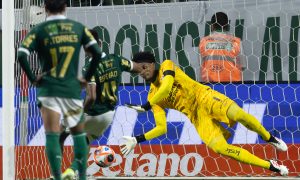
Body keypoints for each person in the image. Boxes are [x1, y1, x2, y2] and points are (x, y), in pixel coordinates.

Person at [120, 51, 289, 176]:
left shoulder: (166, 65)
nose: (142, 72)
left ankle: (270, 139)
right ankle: (270, 165)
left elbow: (166, 86)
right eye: (138, 71)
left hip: (205, 97)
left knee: (239, 115)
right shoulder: (152, 96)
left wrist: (148, 105)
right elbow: (161, 128)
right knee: (220, 148)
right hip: (196, 117)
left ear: (152, 64)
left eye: (143, 67)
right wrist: (137, 139)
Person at [17, 0, 102, 179]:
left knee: (52, 134)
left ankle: (56, 177)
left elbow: (22, 54)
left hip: (48, 89)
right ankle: (82, 177)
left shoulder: (39, 30)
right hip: (71, 89)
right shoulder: (78, 27)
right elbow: (96, 53)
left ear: (45, 9)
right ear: (65, 8)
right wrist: (86, 79)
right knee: (79, 134)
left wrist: (33, 78)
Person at [59, 29, 140, 177]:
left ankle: (55, 172)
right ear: (100, 44)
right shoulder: (116, 59)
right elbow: (136, 68)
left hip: (92, 113)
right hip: (108, 115)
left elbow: (90, 97)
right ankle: (72, 170)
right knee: (86, 141)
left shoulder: (88, 67)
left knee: (60, 134)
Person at [199, 12, 244, 83]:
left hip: (209, 86)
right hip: (232, 85)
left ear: (212, 26)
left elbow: (200, 64)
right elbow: (243, 65)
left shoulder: (203, 42)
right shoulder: (236, 42)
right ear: (227, 25)